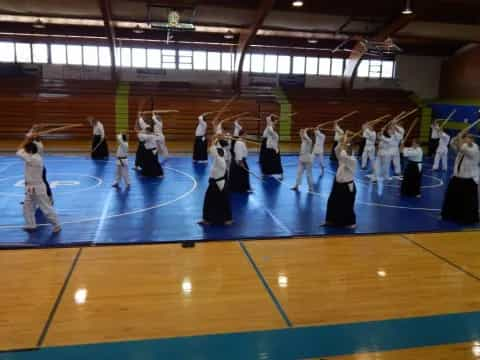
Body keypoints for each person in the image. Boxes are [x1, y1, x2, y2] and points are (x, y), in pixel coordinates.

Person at [17, 134, 61, 233]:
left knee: (45, 208)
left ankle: (57, 225)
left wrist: (26, 139)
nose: (25, 152)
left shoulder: (33, 159)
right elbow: (24, 149)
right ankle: (31, 224)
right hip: (30, 187)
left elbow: (18, 151)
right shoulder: (35, 155)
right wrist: (31, 139)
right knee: (27, 206)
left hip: (38, 187)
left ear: (30, 151)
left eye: (27, 151)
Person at [441, 133, 480, 224]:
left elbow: (461, 148)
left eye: (467, 138)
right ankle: (450, 214)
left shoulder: (475, 150)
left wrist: (459, 137)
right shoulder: (464, 146)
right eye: (465, 138)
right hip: (457, 177)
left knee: (467, 201)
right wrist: (456, 138)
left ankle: (467, 218)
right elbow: (452, 144)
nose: (465, 140)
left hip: (469, 179)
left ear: (472, 140)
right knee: (451, 196)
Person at [324, 133, 357, 228]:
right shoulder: (343, 159)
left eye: (348, 149)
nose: (346, 150)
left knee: (347, 205)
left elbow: (343, 154)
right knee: (332, 202)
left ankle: (351, 223)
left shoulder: (351, 160)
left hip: (347, 186)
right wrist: (341, 141)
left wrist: (345, 143)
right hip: (337, 184)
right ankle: (330, 221)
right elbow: (336, 150)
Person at [198, 137, 233, 225]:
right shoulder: (222, 155)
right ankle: (208, 219)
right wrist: (216, 138)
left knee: (221, 202)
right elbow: (214, 148)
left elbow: (212, 148)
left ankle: (227, 219)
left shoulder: (220, 160)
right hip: (215, 183)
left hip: (218, 184)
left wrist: (215, 138)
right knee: (211, 202)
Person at [27, 126, 53, 205]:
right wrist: (33, 129)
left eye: (33, 132)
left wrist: (33, 131)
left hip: (38, 167)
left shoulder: (36, 144)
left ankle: (49, 197)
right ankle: (31, 199)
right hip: (34, 167)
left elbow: (27, 139)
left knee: (43, 183)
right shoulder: (35, 142)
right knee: (32, 183)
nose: (31, 133)